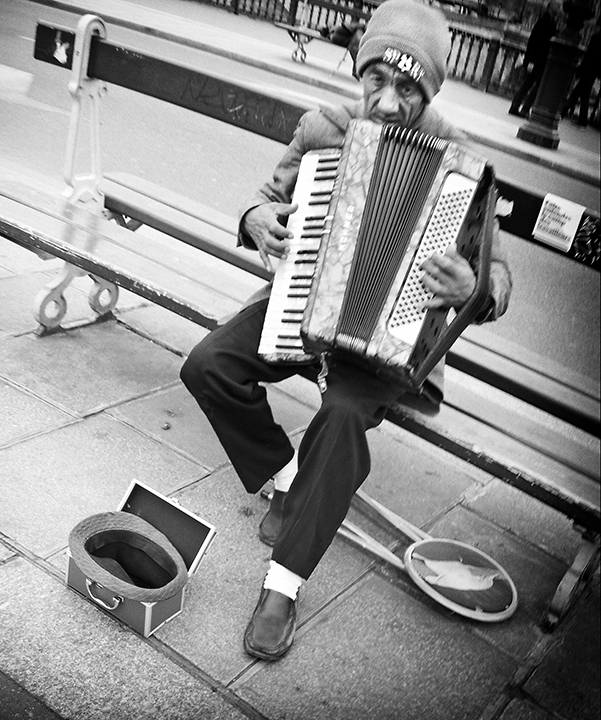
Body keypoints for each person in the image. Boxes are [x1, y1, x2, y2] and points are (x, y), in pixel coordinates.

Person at [180, 0, 512, 662]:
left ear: (429, 90)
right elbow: (265, 196)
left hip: (390, 343)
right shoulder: (323, 128)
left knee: (340, 419)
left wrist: (473, 288)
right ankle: (284, 478)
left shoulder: (462, 162)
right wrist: (256, 219)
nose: (387, 102)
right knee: (208, 363)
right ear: (360, 74)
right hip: (303, 306)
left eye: (407, 88)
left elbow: (496, 270)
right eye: (376, 82)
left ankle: (284, 583)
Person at [509, 1, 562, 118]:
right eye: (557, 7)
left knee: (530, 84)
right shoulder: (544, 22)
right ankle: (523, 107)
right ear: (551, 8)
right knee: (535, 85)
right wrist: (531, 61)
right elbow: (534, 42)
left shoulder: (549, 22)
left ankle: (517, 106)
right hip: (539, 60)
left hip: (539, 60)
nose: (559, 10)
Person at [562, 25, 601, 127]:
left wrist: (581, 68)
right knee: (580, 93)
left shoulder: (596, 37)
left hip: (588, 69)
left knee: (583, 94)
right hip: (593, 70)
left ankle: (577, 117)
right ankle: (566, 112)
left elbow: (589, 55)